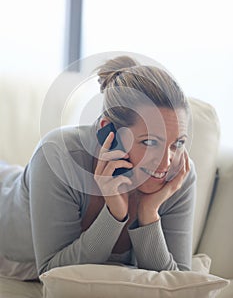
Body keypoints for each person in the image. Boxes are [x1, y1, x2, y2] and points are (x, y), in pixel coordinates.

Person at [0, 55, 196, 281]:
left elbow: (180, 283)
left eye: (177, 143)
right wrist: (114, 214)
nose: (165, 163)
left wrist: (149, 214)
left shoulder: (179, 176)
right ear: (109, 132)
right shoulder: (57, 155)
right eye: (150, 142)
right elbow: (53, 273)